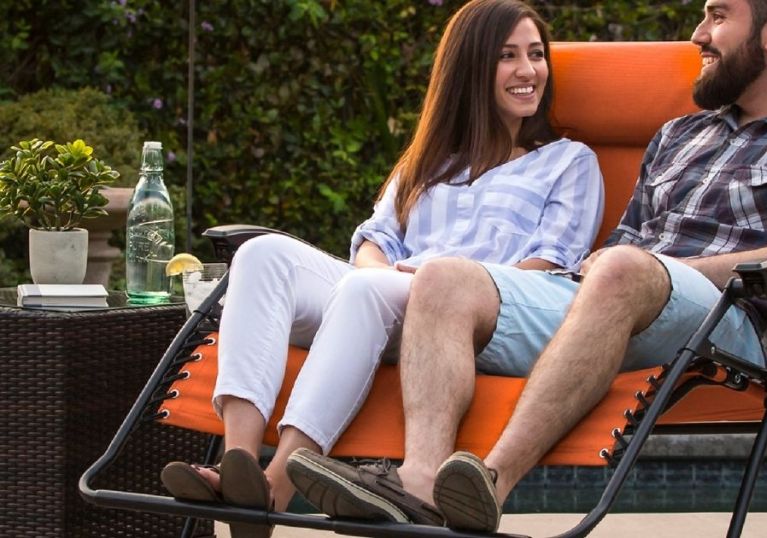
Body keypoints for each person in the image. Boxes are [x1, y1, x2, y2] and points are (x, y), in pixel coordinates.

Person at [286, 0, 767, 532]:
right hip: (616, 305)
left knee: (624, 270)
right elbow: (624, 244)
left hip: (733, 324)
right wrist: (607, 268)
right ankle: (419, 483)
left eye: (717, 16)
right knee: (446, 277)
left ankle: (489, 485)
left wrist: (688, 270)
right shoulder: (681, 136)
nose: (698, 34)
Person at [159, 0, 604, 535]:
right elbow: (374, 239)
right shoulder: (430, 159)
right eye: (508, 56)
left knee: (365, 291)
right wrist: (384, 274)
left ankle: (277, 483)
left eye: (536, 54)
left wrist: (421, 283)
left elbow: (548, 264)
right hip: (378, 293)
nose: (528, 71)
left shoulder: (568, 161)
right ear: (471, 69)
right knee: (262, 254)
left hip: (459, 312)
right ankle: (238, 463)